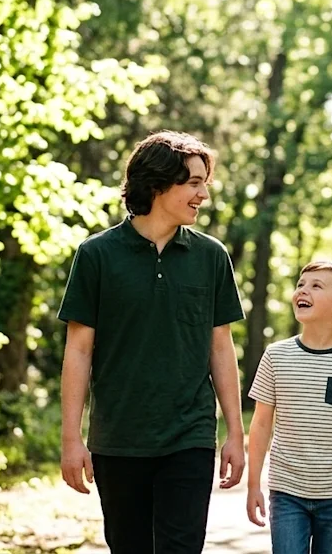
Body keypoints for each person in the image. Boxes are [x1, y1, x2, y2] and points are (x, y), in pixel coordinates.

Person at [57, 130, 246, 554]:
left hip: (190, 436)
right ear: (159, 183)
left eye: (204, 183)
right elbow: (79, 350)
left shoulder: (211, 256)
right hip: (119, 438)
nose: (203, 195)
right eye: (194, 183)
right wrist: (72, 438)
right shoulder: (97, 255)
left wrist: (235, 432)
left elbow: (220, 347)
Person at [245, 260, 332, 553]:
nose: (302, 291)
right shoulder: (276, 356)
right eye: (301, 285)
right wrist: (254, 485)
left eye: (316, 286)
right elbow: (261, 423)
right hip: (287, 492)